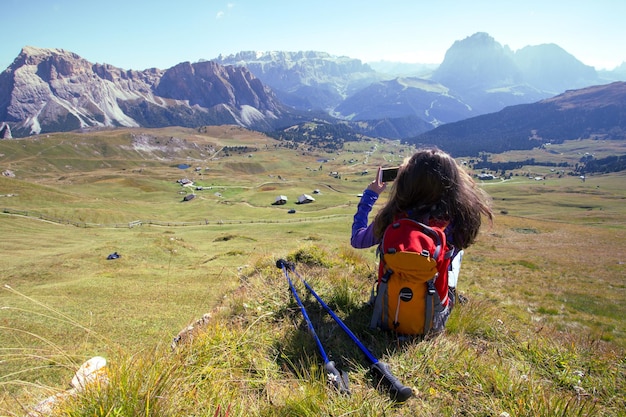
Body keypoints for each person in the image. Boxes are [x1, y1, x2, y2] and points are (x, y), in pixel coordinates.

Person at [351, 147, 493, 333]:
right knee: (453, 255)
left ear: (406, 181)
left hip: (387, 308)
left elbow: (357, 239)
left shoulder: (392, 217)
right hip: (434, 318)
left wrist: (370, 195)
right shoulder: (459, 218)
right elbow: (461, 243)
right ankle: (447, 292)